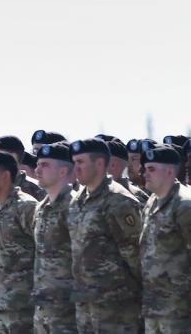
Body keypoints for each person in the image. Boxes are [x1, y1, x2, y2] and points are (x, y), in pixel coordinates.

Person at [68, 138, 143, 333]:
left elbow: (136, 255)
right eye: (74, 162)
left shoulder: (119, 200)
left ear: (100, 163)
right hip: (85, 305)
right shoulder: (77, 200)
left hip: (116, 308)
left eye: (81, 162)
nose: (75, 168)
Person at [0, 153, 37, 333]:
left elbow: (43, 250)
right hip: (1, 301)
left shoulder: (26, 206)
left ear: (5, 176)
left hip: (23, 302)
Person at [137, 144, 191, 333]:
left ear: (169, 171)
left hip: (179, 311)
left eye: (152, 169)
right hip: (154, 307)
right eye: (145, 169)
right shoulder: (152, 202)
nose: (145, 174)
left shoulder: (185, 205)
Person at [31, 143, 77, 333]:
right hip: (43, 307)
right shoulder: (41, 207)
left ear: (63, 171)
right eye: (38, 164)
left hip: (66, 309)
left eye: (45, 165)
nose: (37, 170)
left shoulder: (75, 206)